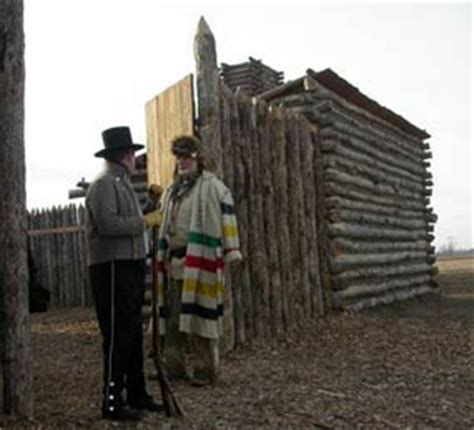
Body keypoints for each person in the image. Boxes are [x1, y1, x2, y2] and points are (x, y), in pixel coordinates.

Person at [85, 126, 162, 421]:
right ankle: (112, 401)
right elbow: (109, 225)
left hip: (126, 264)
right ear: (126, 155)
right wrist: (145, 221)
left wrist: (147, 208)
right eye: (133, 154)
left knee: (130, 332)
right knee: (118, 335)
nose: (135, 159)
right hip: (112, 267)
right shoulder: (105, 183)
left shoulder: (120, 182)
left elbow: (127, 219)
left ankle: (137, 393)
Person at [156, 135, 242, 386]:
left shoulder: (214, 188)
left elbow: (228, 217)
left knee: (200, 317)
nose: (182, 162)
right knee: (173, 318)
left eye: (187, 157)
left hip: (201, 259)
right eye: (179, 157)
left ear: (198, 159)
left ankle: (206, 370)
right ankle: (174, 367)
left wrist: (230, 250)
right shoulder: (172, 191)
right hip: (175, 263)